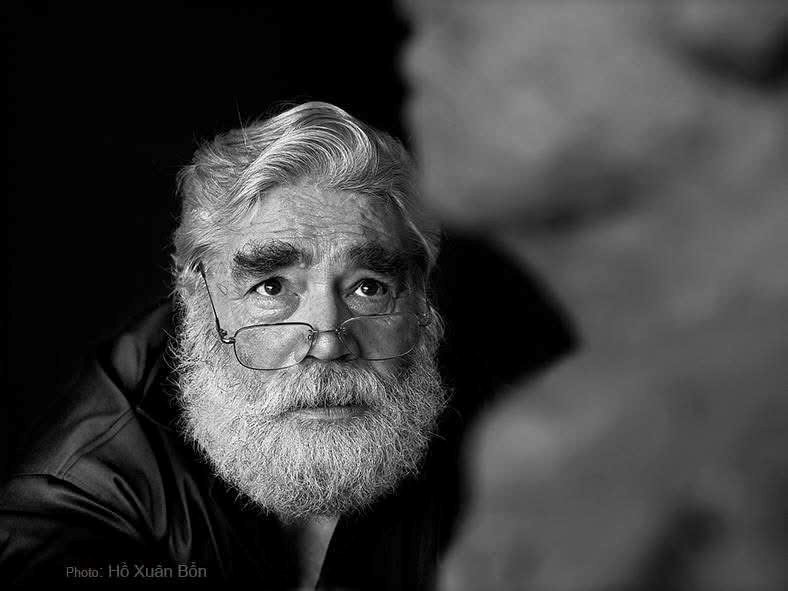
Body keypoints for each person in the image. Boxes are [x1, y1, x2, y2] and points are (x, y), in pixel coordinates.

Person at [0, 102, 457, 588]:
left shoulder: (498, 428)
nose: (327, 343)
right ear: (198, 298)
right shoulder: (88, 486)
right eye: (271, 288)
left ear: (422, 301)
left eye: (368, 287)